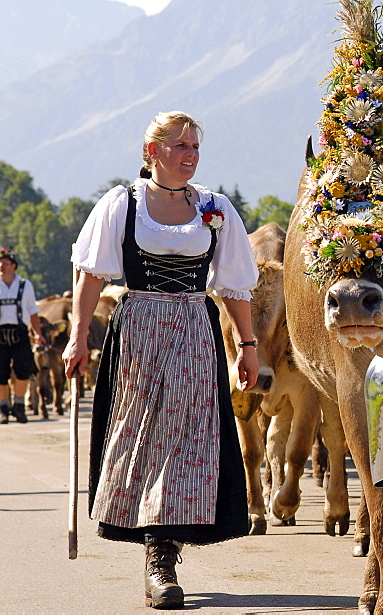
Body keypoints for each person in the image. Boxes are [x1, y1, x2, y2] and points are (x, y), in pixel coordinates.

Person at [63, 111, 259, 610]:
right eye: (179, 146)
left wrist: (249, 346)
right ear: (153, 152)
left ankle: (162, 556)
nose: (190, 154)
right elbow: (89, 276)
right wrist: (78, 336)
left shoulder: (214, 208)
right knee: (144, 434)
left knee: (190, 435)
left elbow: (234, 284)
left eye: (195, 146)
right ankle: (152, 543)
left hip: (195, 327)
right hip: (139, 329)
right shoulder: (122, 204)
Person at [0, 249, 46, 424]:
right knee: (0, 373)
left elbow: (33, 312)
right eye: (0, 263)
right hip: (0, 333)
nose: (1, 266)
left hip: (20, 333)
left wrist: (38, 334)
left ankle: (19, 406)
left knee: (24, 370)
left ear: (14, 266)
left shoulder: (25, 285)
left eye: (5, 263)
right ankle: (3, 409)